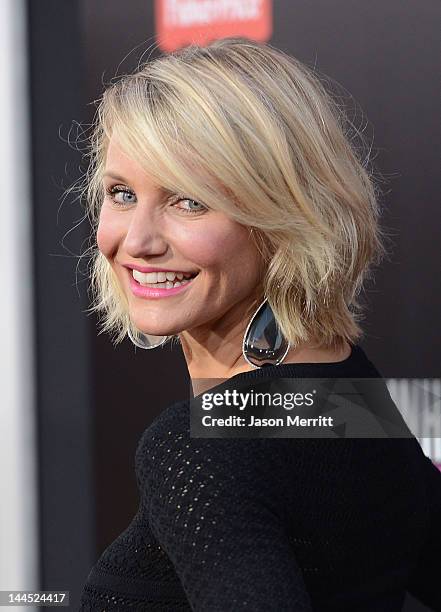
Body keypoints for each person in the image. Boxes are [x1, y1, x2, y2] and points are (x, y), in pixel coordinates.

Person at [77, 37, 441, 611]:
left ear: (281, 216)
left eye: (189, 201)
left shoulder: (198, 447)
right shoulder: (346, 391)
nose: (136, 241)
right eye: (122, 193)